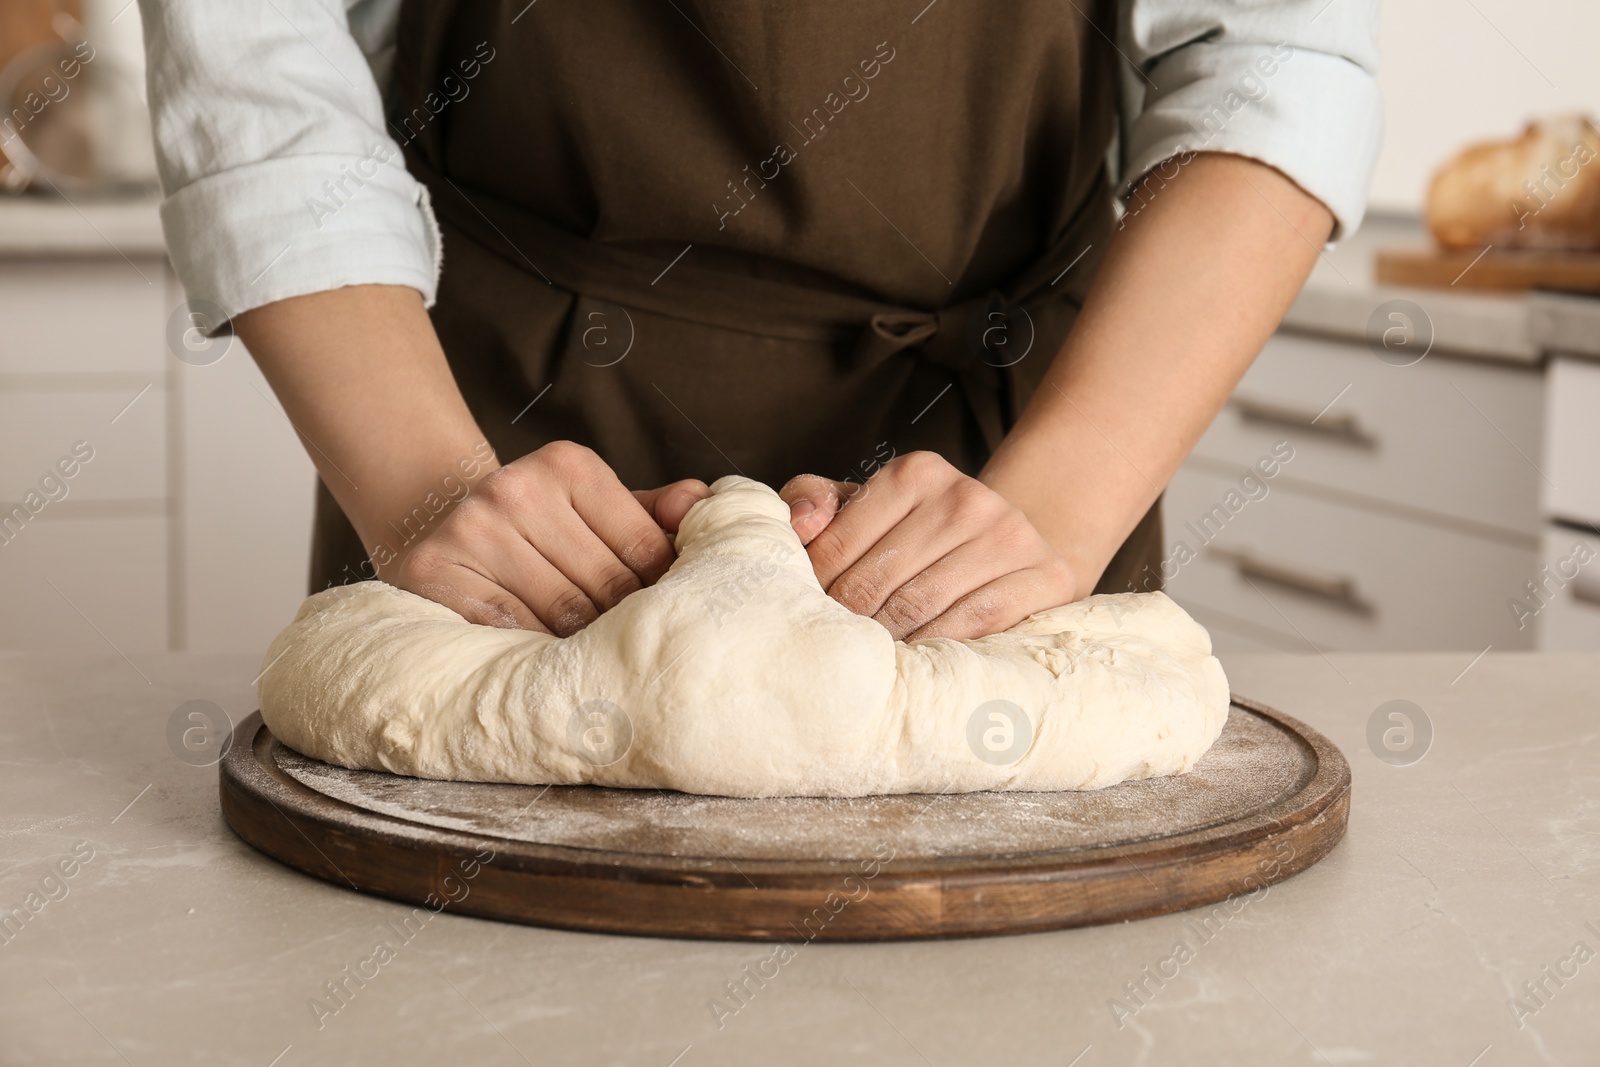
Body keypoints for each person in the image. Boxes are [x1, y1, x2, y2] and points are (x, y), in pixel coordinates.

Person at [139, 0, 1380, 641]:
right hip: (489, 446)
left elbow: (1276, 60)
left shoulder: (1041, 506)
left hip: (1019, 468)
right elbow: (259, 63)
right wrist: (421, 483)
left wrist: (1054, 515)